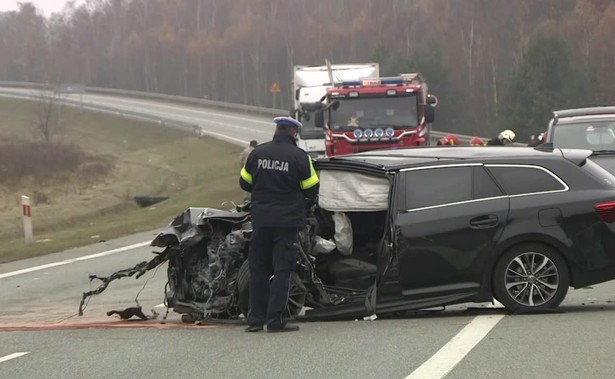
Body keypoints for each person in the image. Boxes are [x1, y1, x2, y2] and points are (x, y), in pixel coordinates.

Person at [239, 116, 320, 333]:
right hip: (287, 222)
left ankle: (255, 320)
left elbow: (244, 182)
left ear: (277, 130)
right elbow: (312, 189)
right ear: (294, 133)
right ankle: (275, 320)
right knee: (283, 269)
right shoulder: (300, 157)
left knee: (259, 269)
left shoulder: (257, 154)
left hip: (261, 221)